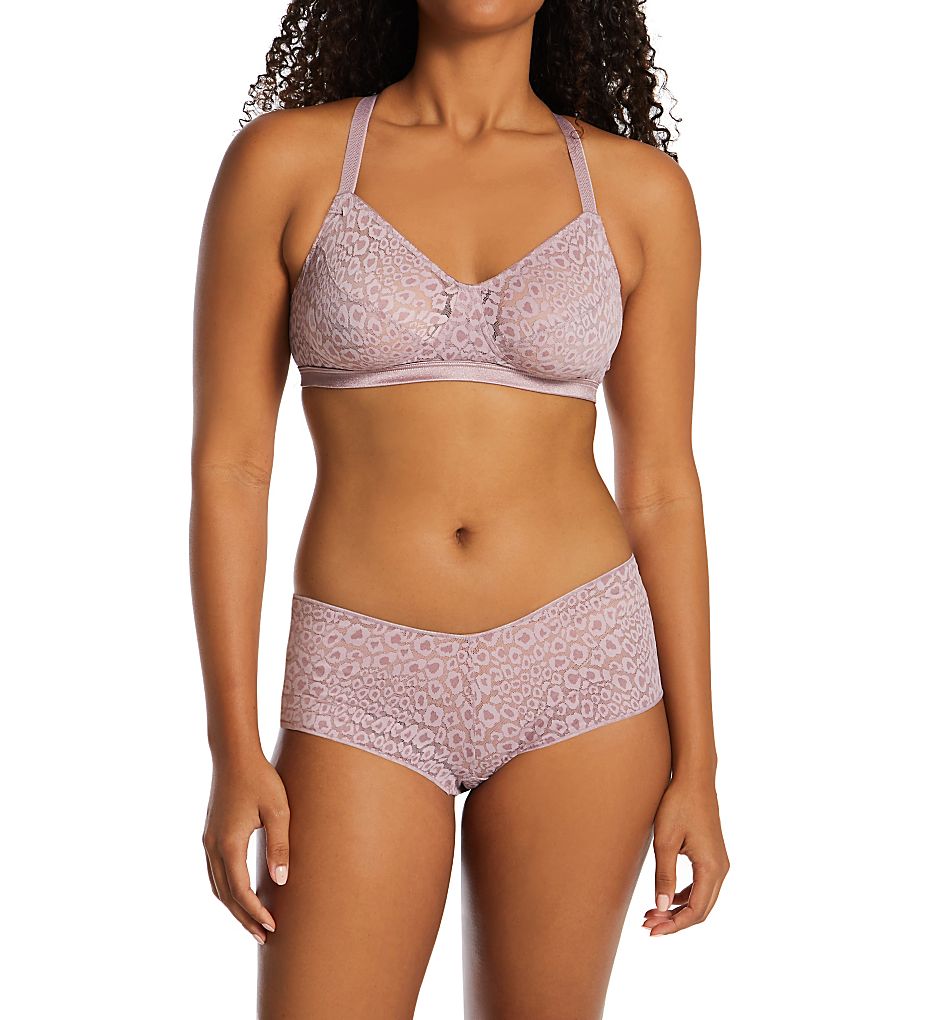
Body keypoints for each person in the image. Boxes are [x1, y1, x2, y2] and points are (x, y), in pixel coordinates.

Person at [190, 1, 729, 1016]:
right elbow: (231, 468)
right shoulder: (287, 163)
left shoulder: (639, 190)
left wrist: (697, 762)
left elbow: (660, 482)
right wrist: (231, 746)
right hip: (360, 676)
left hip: (583, 673)